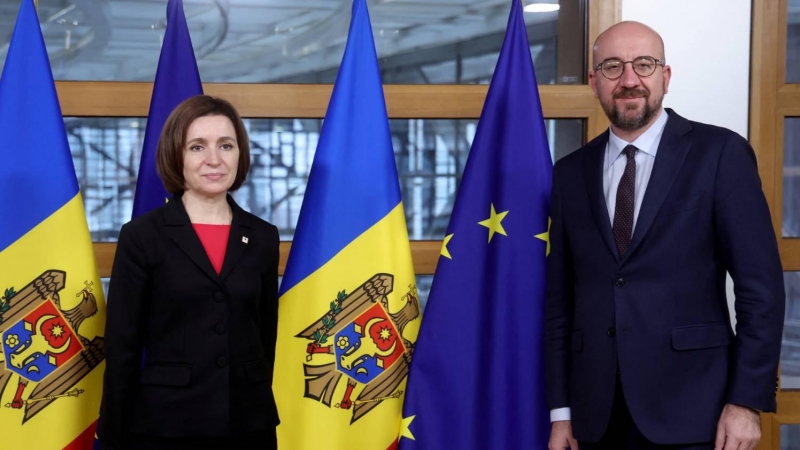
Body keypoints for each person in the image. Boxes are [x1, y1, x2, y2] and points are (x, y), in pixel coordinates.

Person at [545, 21, 785, 450]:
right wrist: (562, 413)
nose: (630, 79)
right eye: (614, 67)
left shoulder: (720, 154)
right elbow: (560, 302)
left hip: (697, 412)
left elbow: (760, 289)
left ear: (665, 77)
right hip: (595, 417)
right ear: (595, 82)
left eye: (644, 64)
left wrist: (746, 401)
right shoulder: (569, 173)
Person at [98, 95, 280, 450]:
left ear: (240, 153)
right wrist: (113, 438)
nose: (214, 159)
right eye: (197, 147)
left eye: (225, 145)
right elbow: (123, 350)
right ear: (175, 156)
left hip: (248, 425)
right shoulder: (142, 236)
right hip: (165, 426)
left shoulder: (262, 236)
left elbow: (264, 338)